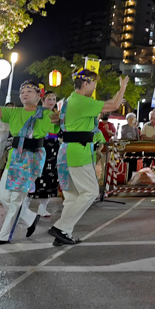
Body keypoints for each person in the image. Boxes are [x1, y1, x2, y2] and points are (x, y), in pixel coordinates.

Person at [49, 69, 128, 246]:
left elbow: (109, 103)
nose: (94, 87)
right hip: (78, 152)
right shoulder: (82, 101)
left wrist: (118, 93)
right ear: (86, 83)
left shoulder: (69, 100)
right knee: (91, 192)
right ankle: (61, 227)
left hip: (66, 151)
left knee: (72, 197)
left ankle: (63, 233)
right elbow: (114, 106)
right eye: (93, 83)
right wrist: (122, 87)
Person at [0, 79, 53, 245]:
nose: (24, 94)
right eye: (22, 91)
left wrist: (59, 116)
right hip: (14, 157)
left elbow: (58, 125)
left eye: (29, 91)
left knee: (15, 199)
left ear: (38, 95)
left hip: (31, 158)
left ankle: (4, 235)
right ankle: (29, 218)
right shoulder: (14, 112)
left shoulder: (45, 114)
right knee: (3, 197)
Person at [30, 92, 61, 218]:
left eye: (54, 99)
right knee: (36, 175)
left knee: (50, 176)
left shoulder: (56, 114)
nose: (52, 101)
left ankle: (42, 207)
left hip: (53, 146)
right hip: (40, 144)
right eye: (49, 98)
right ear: (43, 99)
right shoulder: (38, 112)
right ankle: (25, 205)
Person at [0, 102, 15, 181]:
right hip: (4, 137)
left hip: (14, 138)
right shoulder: (1, 117)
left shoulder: (16, 117)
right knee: (1, 157)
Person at [120, 112, 142, 180]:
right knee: (126, 163)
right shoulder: (123, 127)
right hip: (126, 148)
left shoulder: (135, 128)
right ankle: (126, 177)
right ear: (127, 119)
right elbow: (122, 137)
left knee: (134, 163)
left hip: (134, 148)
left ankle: (133, 178)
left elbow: (138, 138)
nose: (132, 120)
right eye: (130, 118)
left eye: (133, 118)